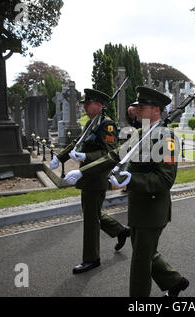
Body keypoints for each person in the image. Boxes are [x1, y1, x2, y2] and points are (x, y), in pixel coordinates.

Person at [63, 86, 189, 297]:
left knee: (140, 262)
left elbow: (165, 179)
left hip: (152, 210)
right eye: (137, 106)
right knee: (144, 251)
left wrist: (131, 181)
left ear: (156, 109)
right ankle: (174, 281)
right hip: (138, 208)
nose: (137, 110)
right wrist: (83, 172)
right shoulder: (140, 133)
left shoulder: (167, 139)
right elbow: (113, 156)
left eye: (142, 106)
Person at [50, 89, 130, 274]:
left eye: (89, 103)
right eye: (85, 103)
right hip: (87, 175)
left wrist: (86, 155)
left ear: (99, 105)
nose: (85, 106)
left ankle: (92, 258)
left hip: (97, 176)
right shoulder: (91, 123)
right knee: (91, 212)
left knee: (91, 219)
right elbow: (77, 143)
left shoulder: (107, 125)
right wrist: (60, 158)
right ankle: (120, 230)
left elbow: (109, 153)